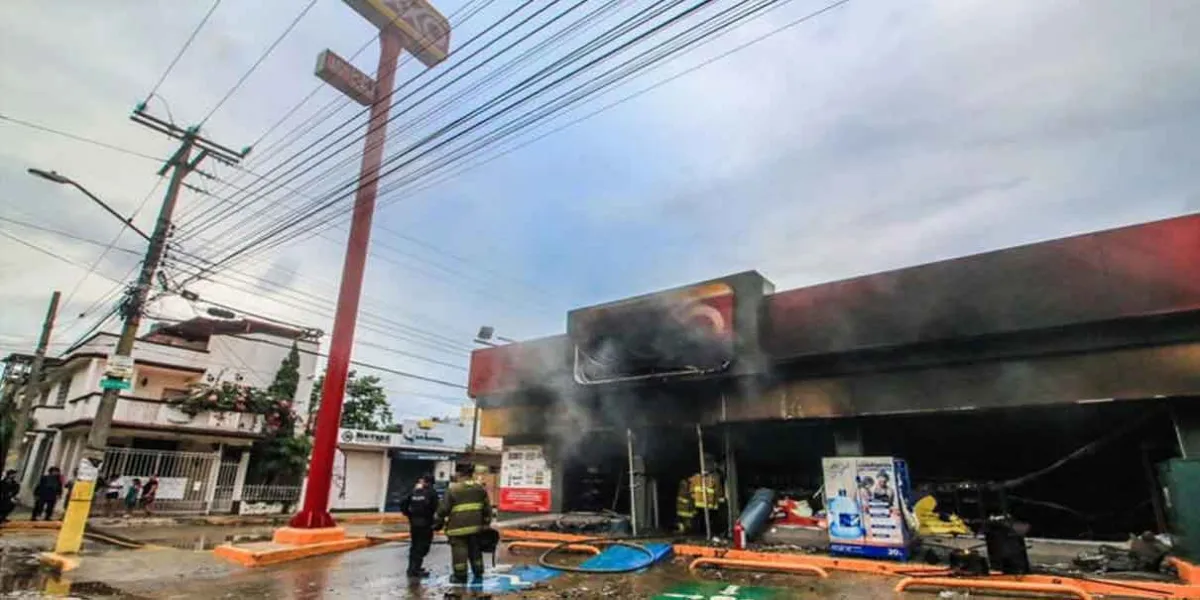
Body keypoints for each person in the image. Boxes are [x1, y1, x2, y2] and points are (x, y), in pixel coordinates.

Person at [435, 465, 492, 584]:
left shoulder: (453, 489)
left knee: (459, 552)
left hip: (457, 528)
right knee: (475, 551)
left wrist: (437, 522)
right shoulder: (480, 489)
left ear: (460, 475)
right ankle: (478, 571)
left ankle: (460, 576)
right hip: (476, 528)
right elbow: (487, 509)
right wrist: (486, 523)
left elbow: (443, 510)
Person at [399, 475, 438, 578]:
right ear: (432, 483)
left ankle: (412, 568)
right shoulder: (432, 492)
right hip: (426, 524)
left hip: (414, 524)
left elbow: (403, 503)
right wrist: (437, 523)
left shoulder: (414, 491)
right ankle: (415, 570)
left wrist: (409, 515)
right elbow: (436, 508)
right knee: (423, 547)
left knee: (415, 546)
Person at [678, 455, 727, 538]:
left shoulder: (696, 477)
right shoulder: (714, 477)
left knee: (703, 520)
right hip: (709, 504)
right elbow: (718, 491)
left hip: (702, 503)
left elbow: (692, 490)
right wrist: (721, 502)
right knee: (708, 520)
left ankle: (702, 533)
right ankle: (704, 533)